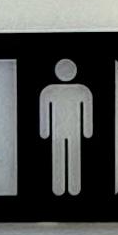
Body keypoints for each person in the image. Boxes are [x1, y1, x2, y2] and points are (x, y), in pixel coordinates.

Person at [39, 58, 94, 197]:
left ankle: (74, 187)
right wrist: (44, 131)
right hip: (60, 130)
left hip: (72, 130)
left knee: (73, 155)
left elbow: (87, 111)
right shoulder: (49, 91)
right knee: (59, 155)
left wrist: (87, 130)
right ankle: (59, 187)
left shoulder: (82, 91)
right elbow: (44, 112)